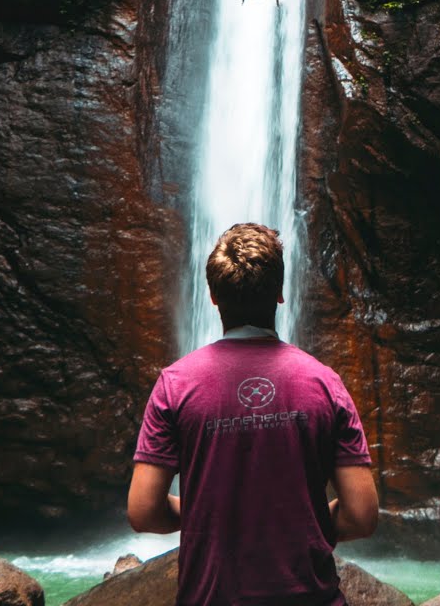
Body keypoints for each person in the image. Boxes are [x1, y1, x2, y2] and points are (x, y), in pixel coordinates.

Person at [128, 223, 379, 605]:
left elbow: (144, 512)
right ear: (280, 293)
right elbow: (361, 515)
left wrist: (209, 514)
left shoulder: (175, 385)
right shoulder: (325, 383)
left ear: (212, 297)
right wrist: (297, 520)